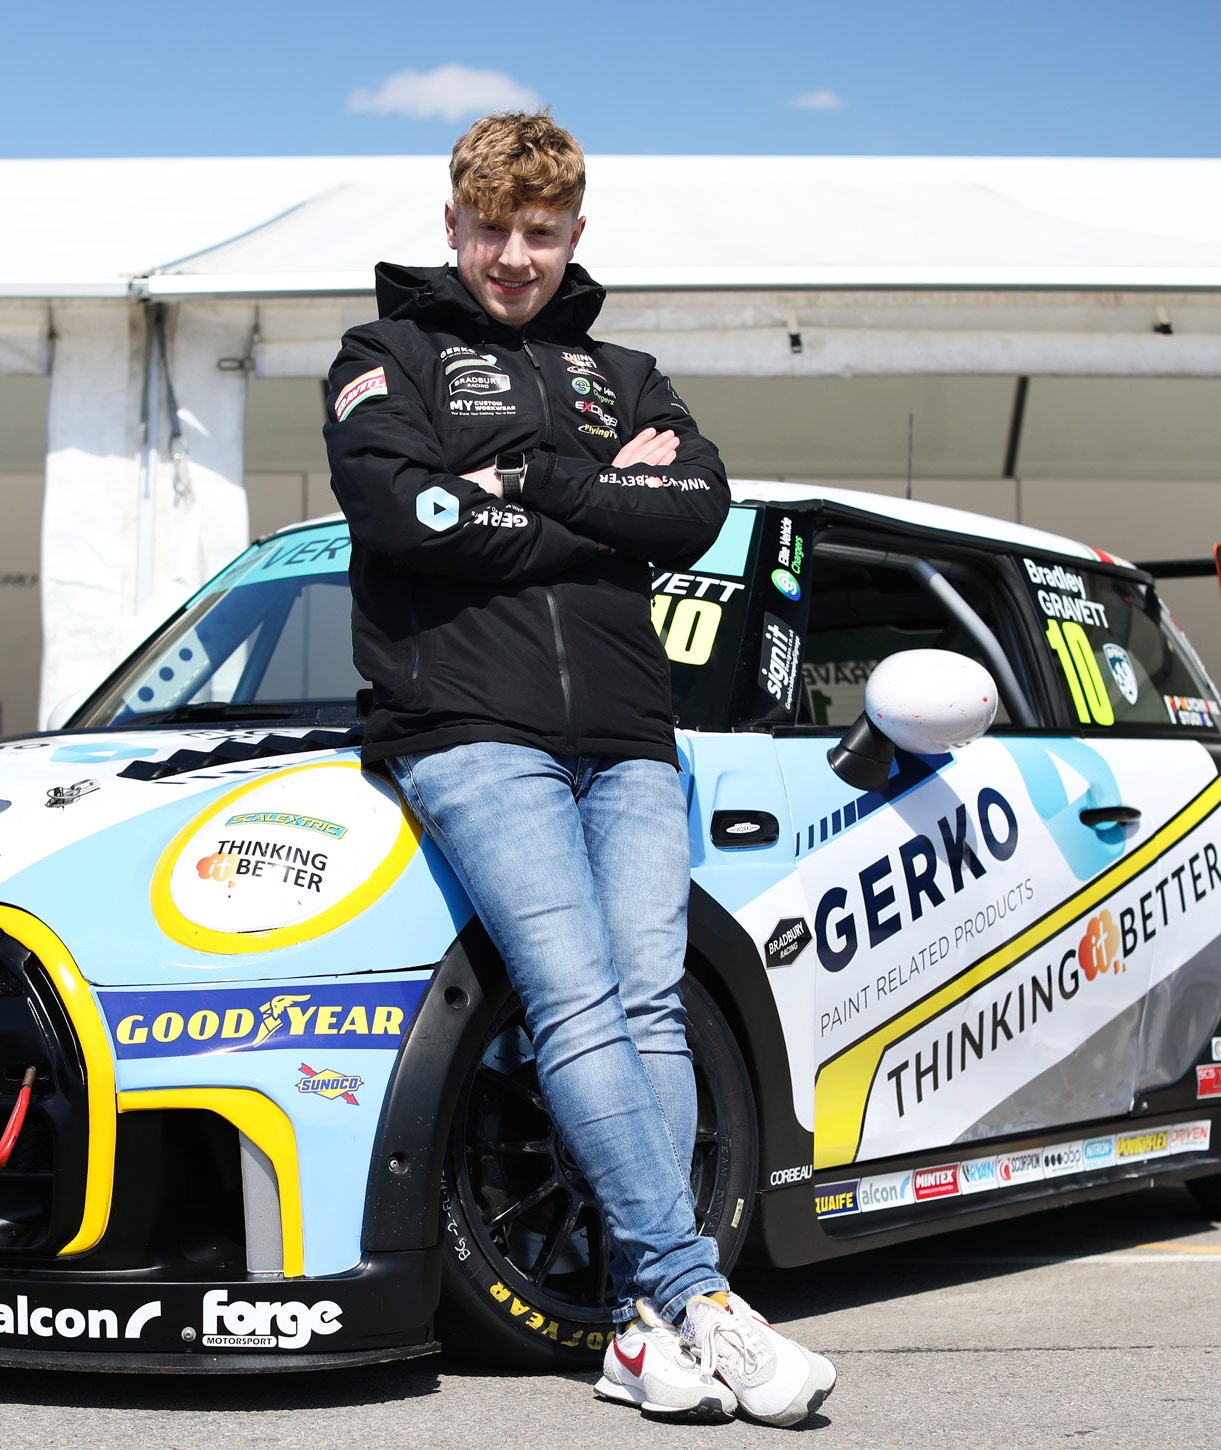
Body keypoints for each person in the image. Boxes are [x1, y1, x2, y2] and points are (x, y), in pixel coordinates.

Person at [323, 111, 836, 1426]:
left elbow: (698, 507)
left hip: (627, 740)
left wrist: (533, 479)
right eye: (490, 228)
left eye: (539, 234)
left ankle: (633, 1329)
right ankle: (695, 1292)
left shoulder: (626, 372)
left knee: (651, 1010)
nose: (512, 257)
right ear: (452, 222)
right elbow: (401, 508)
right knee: (580, 1004)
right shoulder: (385, 355)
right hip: (470, 731)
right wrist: (598, 511)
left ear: (574, 235)